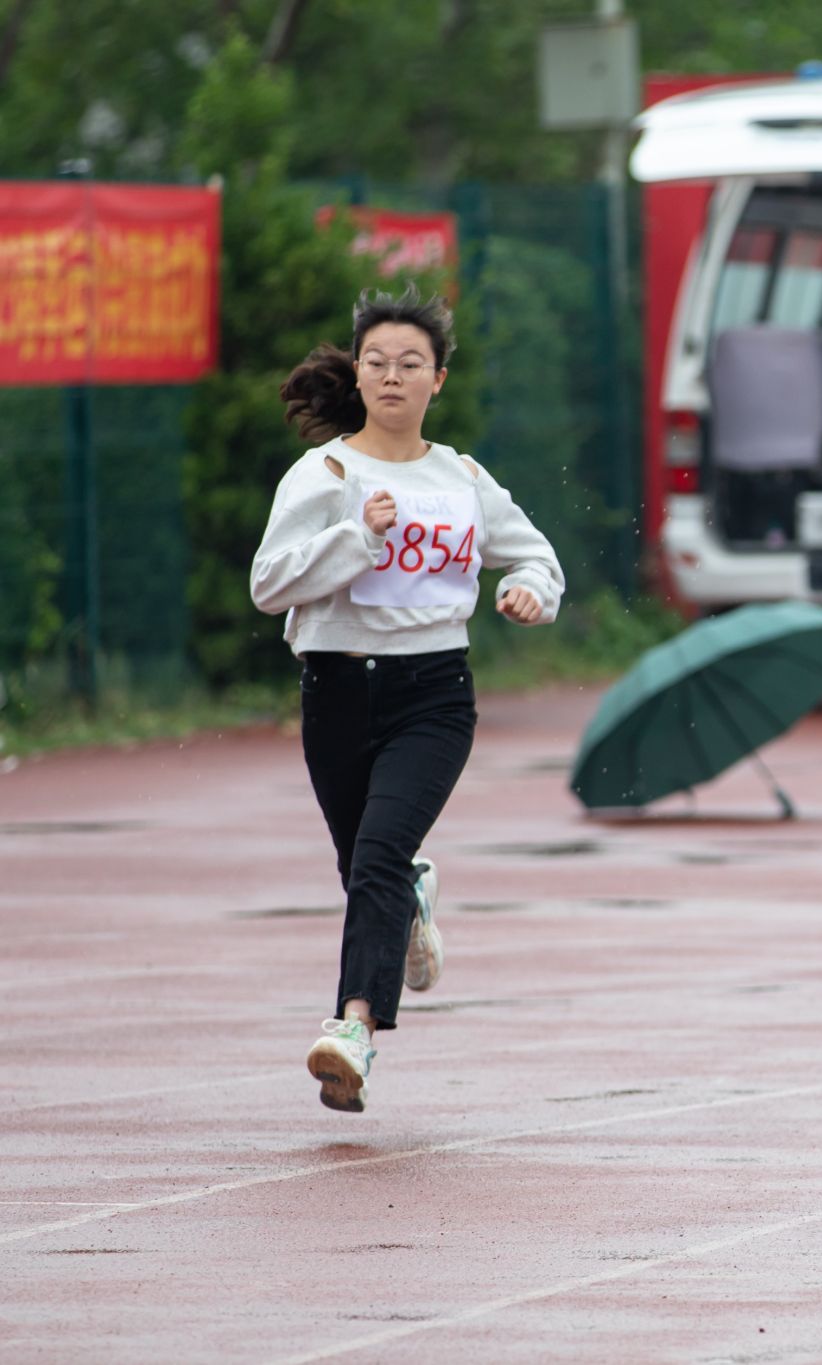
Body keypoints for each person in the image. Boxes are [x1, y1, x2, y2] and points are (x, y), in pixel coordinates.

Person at [252, 286, 564, 1112]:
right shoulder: (325, 473)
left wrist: (530, 589)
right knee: (368, 869)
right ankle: (415, 893)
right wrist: (359, 536)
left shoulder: (459, 476)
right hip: (336, 687)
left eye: (411, 364)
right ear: (358, 375)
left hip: (434, 692)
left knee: (377, 856)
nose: (392, 377)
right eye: (378, 362)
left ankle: (352, 1027)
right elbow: (267, 585)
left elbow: (537, 558)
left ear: (439, 380)